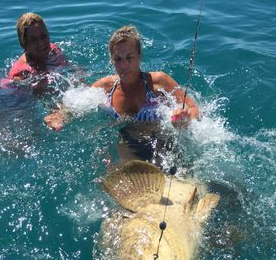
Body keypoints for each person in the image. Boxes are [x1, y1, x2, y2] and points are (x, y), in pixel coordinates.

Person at [44, 25, 200, 165]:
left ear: (139, 56)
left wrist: (185, 118)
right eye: (118, 59)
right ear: (111, 59)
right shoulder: (105, 87)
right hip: (126, 146)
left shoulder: (158, 81)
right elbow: (74, 104)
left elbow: (193, 108)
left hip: (163, 143)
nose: (124, 65)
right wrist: (58, 115)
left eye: (129, 58)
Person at [0, 12, 68, 92]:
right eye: (33, 40)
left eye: (43, 35)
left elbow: (70, 68)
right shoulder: (23, 73)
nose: (41, 43)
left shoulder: (54, 49)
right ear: (23, 43)